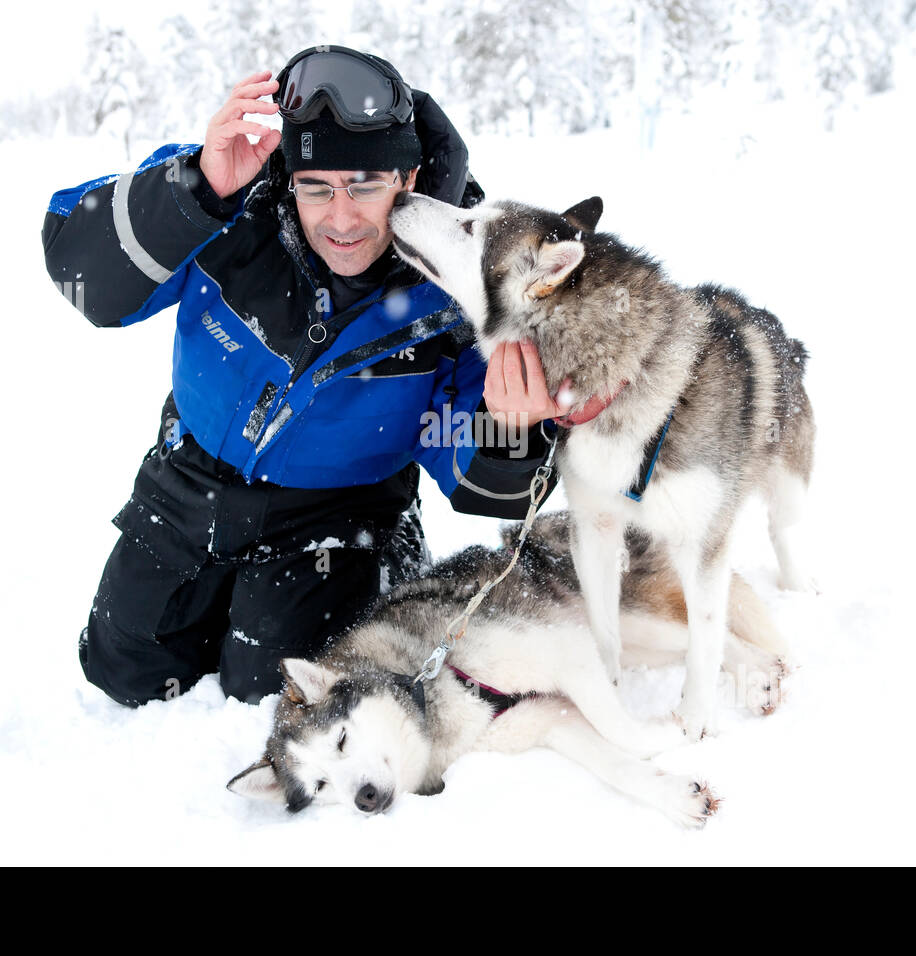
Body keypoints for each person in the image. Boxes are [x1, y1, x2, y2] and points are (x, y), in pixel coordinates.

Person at [42, 45, 566, 707]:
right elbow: (81, 274)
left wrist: (510, 431)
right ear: (291, 177)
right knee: (122, 673)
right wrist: (195, 190)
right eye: (317, 187)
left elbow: (482, 482)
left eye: (365, 186)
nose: (340, 218)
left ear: (407, 177)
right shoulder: (232, 196)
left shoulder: (461, 275)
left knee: (280, 696)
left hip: (341, 513)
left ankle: (382, 562)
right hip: (190, 480)